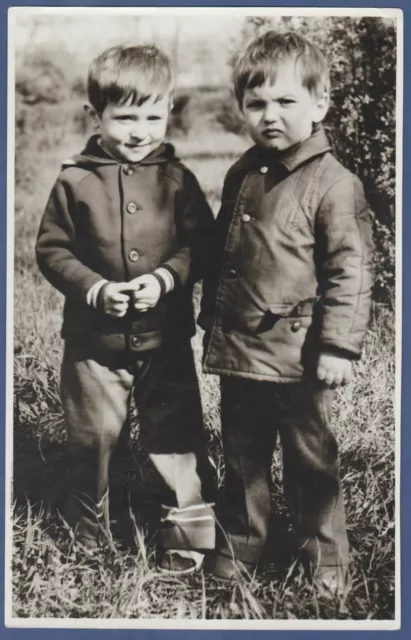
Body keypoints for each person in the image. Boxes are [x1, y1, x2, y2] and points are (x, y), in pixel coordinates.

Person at [198, 30, 374, 597]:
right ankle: (240, 547)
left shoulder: (334, 184)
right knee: (243, 459)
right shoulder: (243, 174)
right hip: (241, 351)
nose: (270, 115)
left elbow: (350, 271)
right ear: (242, 107)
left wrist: (338, 347)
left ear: (319, 104)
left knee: (310, 465)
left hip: (301, 361)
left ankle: (326, 561)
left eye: (286, 101)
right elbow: (225, 257)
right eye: (256, 103)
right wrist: (209, 319)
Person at [36, 44, 216, 575]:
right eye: (125, 117)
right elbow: (51, 250)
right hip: (95, 343)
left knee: (177, 435)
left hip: (166, 340)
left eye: (153, 115)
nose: (140, 130)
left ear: (169, 111)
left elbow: (201, 245)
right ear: (97, 116)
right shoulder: (75, 179)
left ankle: (185, 534)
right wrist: (94, 288)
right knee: (92, 441)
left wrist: (166, 278)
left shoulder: (178, 179)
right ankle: (87, 538)